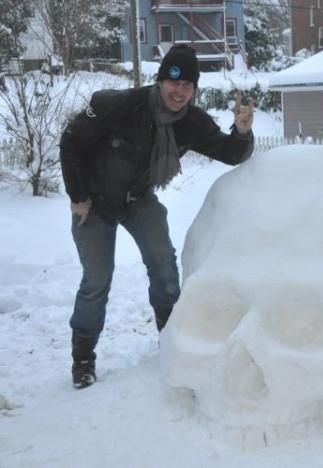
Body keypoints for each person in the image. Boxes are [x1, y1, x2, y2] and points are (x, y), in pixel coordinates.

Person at [60, 44, 254, 389]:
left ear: (194, 89)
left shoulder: (191, 122)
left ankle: (171, 341)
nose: (179, 92)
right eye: (173, 83)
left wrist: (241, 132)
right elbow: (71, 140)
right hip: (95, 202)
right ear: (160, 80)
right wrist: (78, 196)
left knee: (164, 267)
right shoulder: (116, 105)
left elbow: (229, 153)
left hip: (139, 200)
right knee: (96, 281)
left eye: (187, 85)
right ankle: (83, 359)